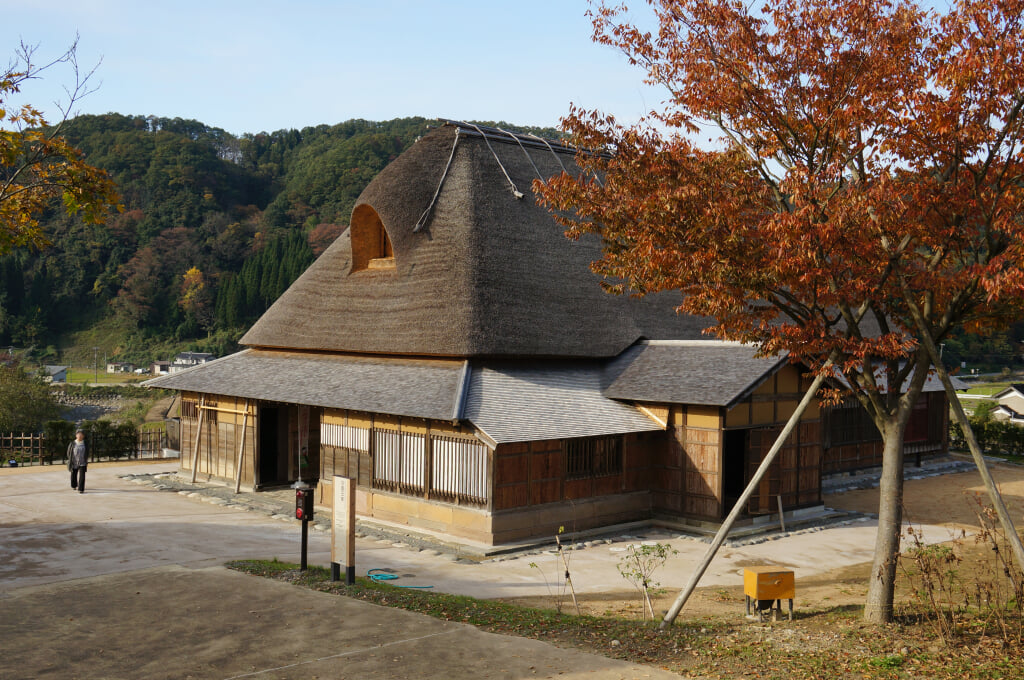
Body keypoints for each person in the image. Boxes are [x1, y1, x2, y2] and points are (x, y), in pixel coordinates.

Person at [67, 429, 88, 493]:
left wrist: (85, 459)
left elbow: (87, 452)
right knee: (73, 474)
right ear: (76, 435)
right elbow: (68, 452)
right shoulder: (72, 443)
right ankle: (74, 485)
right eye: (78, 434)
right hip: (74, 462)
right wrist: (70, 460)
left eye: (81, 435)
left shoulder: (85, 443)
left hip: (82, 462)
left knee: (82, 476)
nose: (80, 436)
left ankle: (81, 489)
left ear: (83, 436)